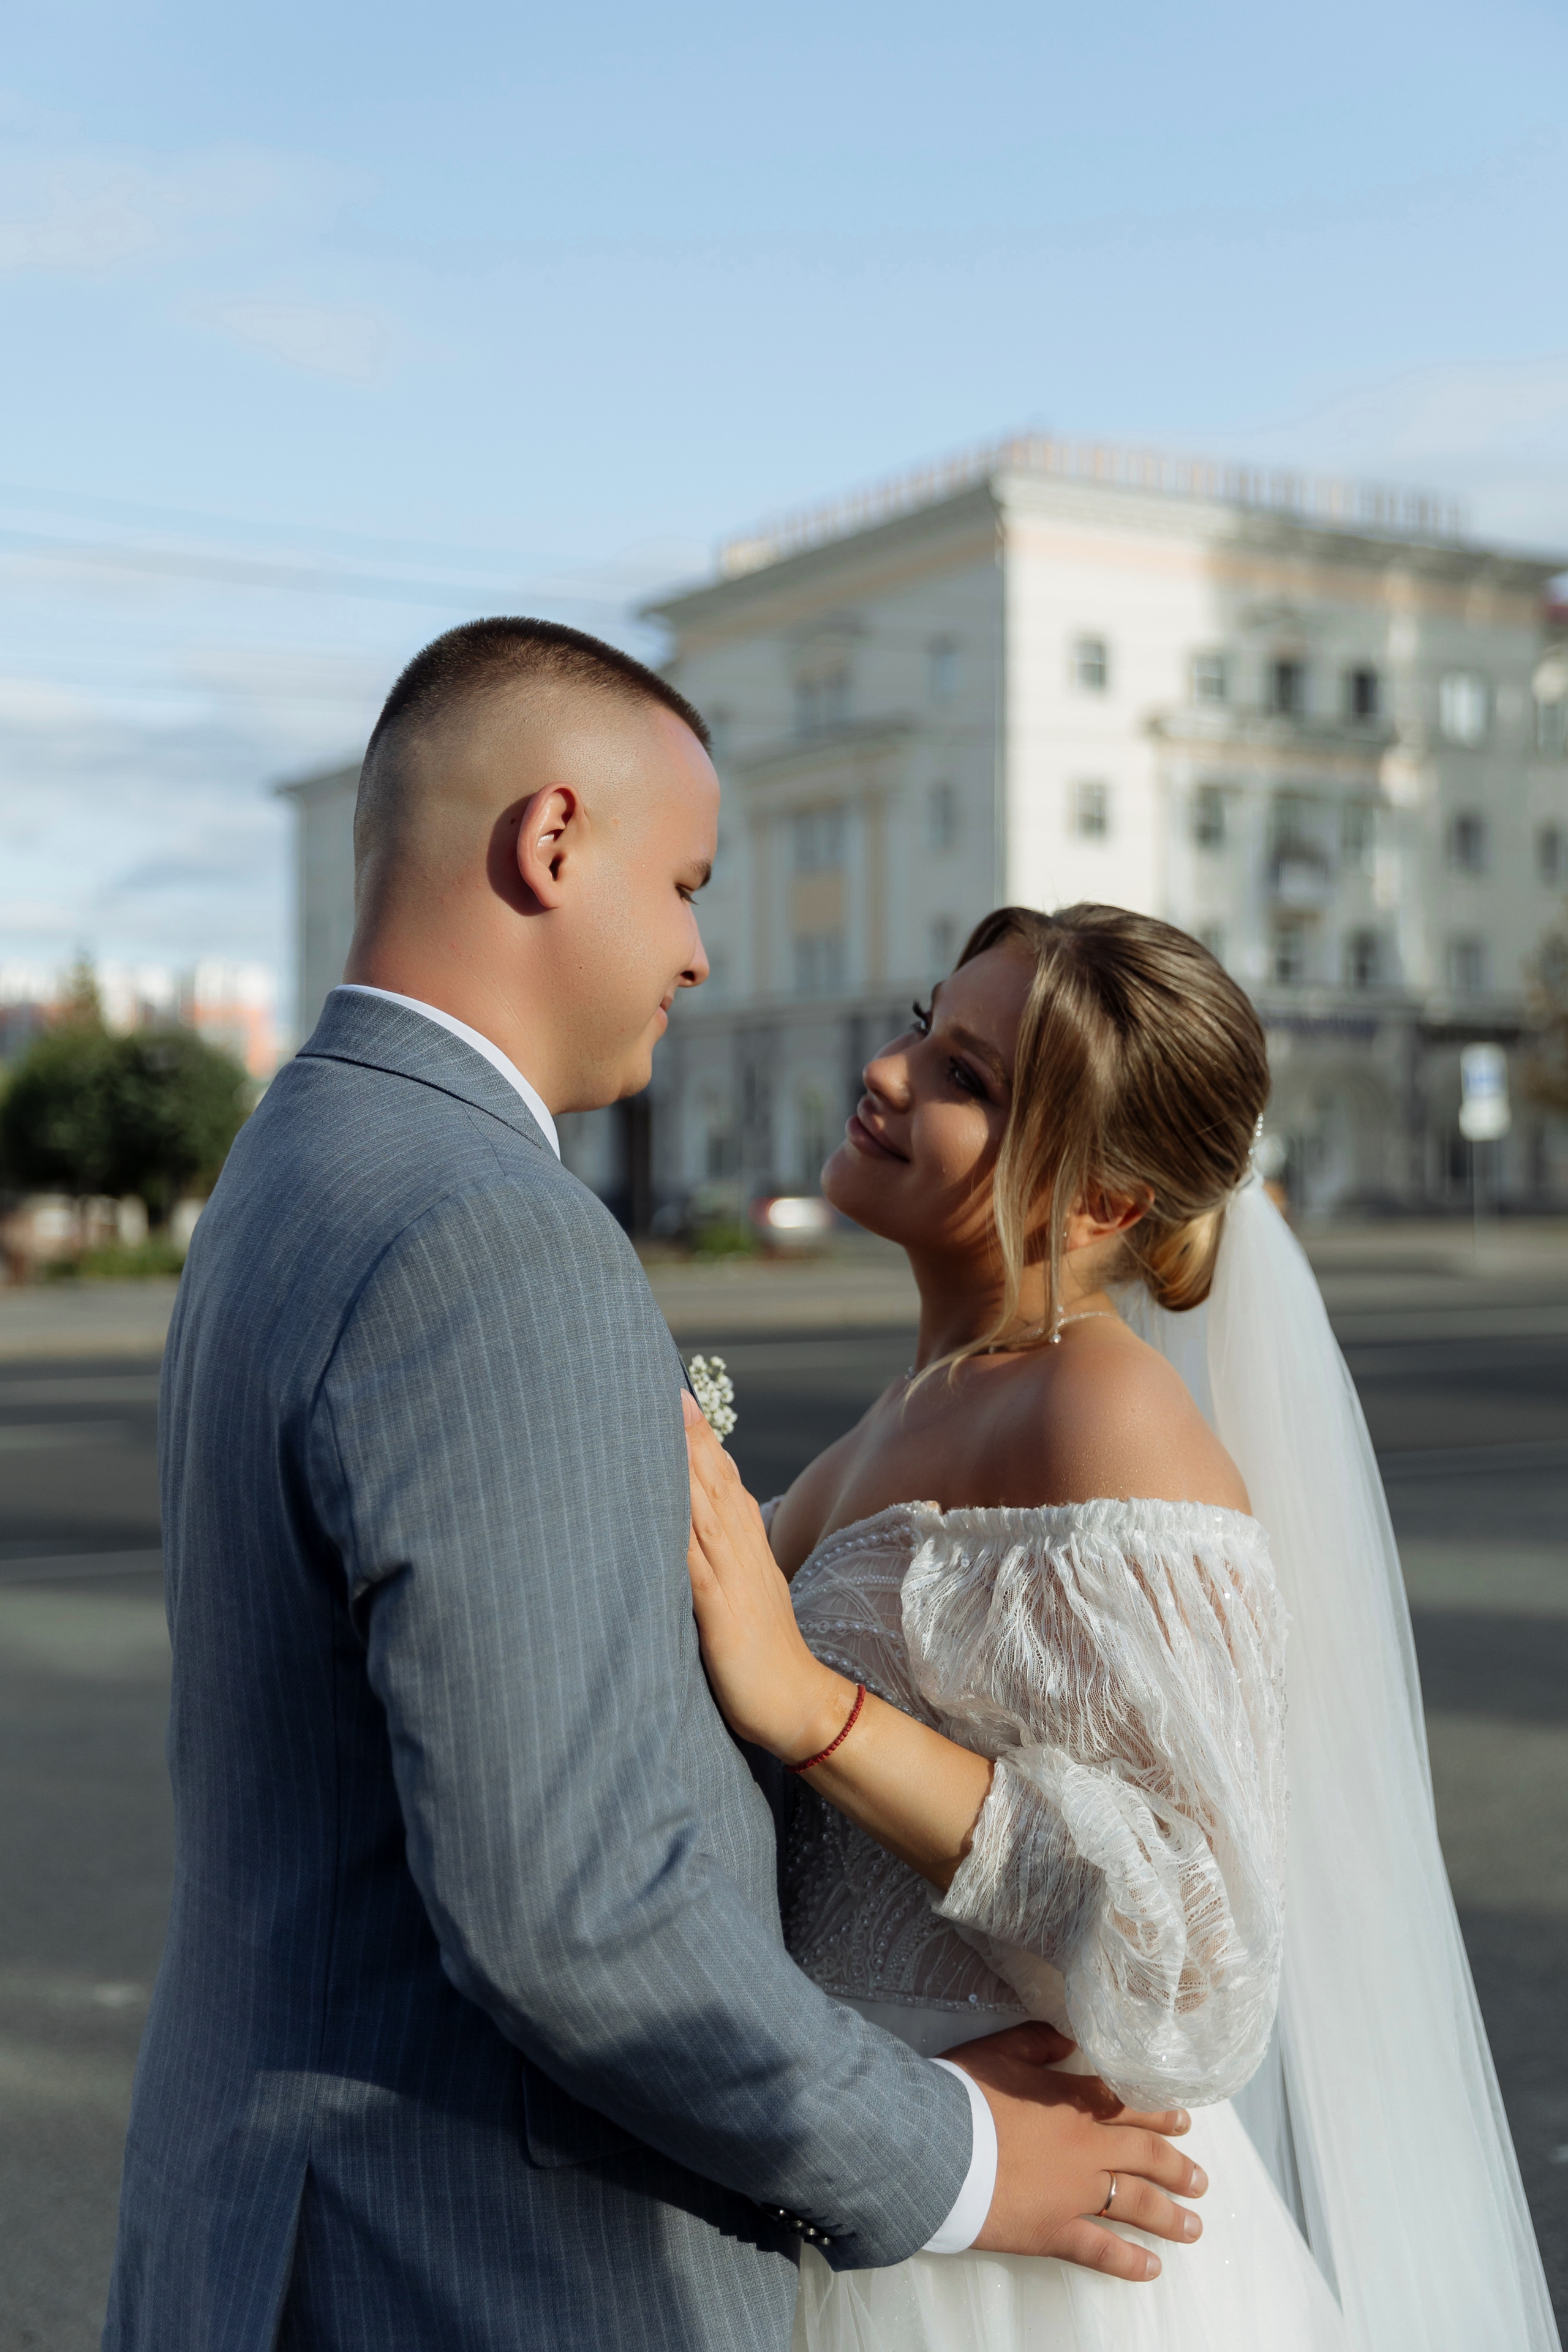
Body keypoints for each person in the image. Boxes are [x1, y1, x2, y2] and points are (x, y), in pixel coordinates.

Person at [100, 627, 1206, 2352]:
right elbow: (575, 1914)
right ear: (554, 842)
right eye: (685, 882)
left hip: (292, 2225)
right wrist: (967, 2161)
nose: (698, 949)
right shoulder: (485, 1230)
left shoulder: (297, 1154)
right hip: (458, 2262)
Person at [682, 903, 1560, 2352]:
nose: (890, 1074)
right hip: (880, 2186)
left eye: (966, 1080)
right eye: (921, 1024)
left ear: (1096, 1206)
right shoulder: (917, 1403)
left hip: (1038, 2270)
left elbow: (1196, 1963)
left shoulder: (1099, 1409)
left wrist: (811, 1710)